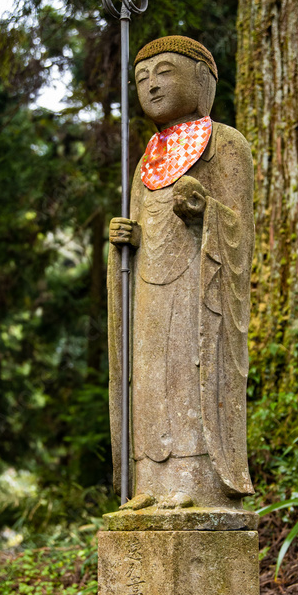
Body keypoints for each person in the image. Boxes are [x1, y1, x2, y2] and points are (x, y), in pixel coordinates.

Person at [108, 35, 254, 509]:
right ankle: (148, 485)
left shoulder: (226, 144)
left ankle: (196, 485)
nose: (150, 86)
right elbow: (142, 230)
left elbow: (239, 226)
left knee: (191, 373)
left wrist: (204, 210)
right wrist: (124, 242)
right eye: (141, 79)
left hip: (201, 288)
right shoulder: (147, 159)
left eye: (164, 72)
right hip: (149, 291)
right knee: (148, 374)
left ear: (203, 79)